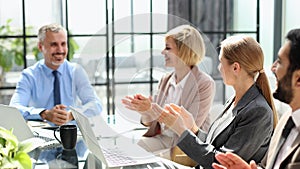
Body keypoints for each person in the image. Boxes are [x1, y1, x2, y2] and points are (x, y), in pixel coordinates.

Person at [156, 35, 278, 169]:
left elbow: (220, 163)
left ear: (235, 68)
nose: (219, 68)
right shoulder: (234, 100)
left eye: (221, 62)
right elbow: (215, 145)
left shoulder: (258, 112)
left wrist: (182, 132)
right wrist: (193, 129)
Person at [121, 25, 215, 159]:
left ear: (185, 51)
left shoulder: (204, 83)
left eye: (168, 48)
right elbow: (152, 124)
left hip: (185, 147)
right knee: (130, 151)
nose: (163, 52)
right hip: (163, 139)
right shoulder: (165, 80)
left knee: (142, 158)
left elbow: (190, 128)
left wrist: (152, 108)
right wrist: (145, 111)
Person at [212, 29, 300, 169]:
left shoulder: (259, 110)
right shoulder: (286, 121)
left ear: (298, 78)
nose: (272, 68)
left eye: (280, 62)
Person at [9, 23, 102, 126]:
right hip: (41, 136)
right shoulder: (29, 75)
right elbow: (14, 108)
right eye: (54, 44)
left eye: (63, 44)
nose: (60, 50)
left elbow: (96, 104)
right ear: (40, 46)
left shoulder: (76, 71)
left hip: (73, 135)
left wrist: (72, 115)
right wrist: (45, 114)